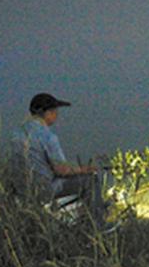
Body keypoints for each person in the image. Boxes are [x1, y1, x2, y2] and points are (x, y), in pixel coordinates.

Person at [11, 92, 107, 226]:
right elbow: (61, 169)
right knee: (90, 181)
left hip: (22, 190)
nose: (57, 115)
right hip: (45, 189)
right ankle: (97, 226)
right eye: (55, 111)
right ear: (48, 113)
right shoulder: (48, 136)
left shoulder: (16, 134)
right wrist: (84, 169)